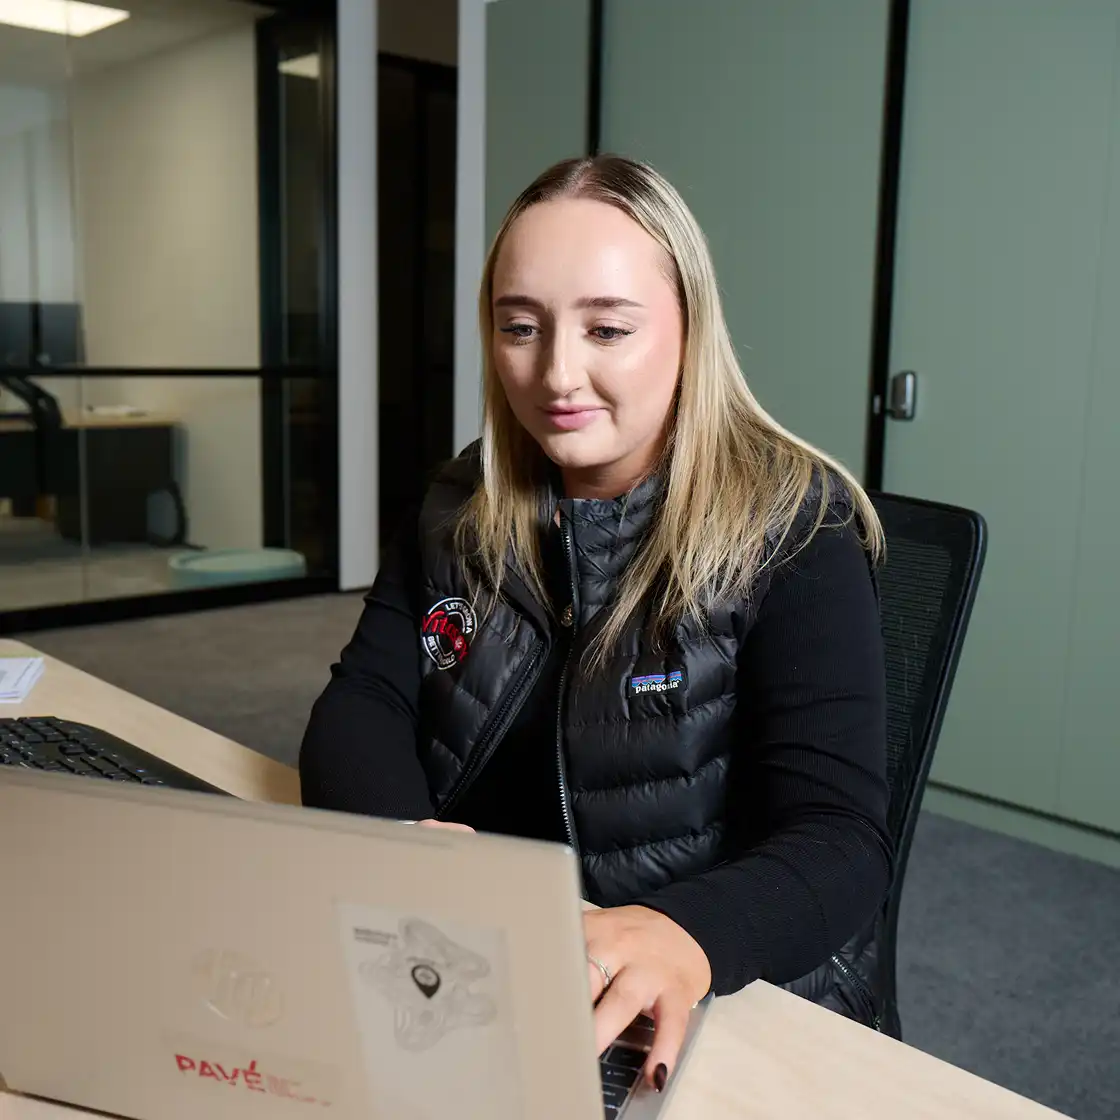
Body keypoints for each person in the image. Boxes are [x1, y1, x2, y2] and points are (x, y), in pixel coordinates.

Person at [300, 154, 893, 1091]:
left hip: (696, 986)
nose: (555, 376)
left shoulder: (795, 527)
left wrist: (687, 932)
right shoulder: (467, 497)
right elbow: (365, 699)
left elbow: (841, 841)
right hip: (473, 955)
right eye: (519, 328)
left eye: (608, 329)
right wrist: (403, 841)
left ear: (690, 332)